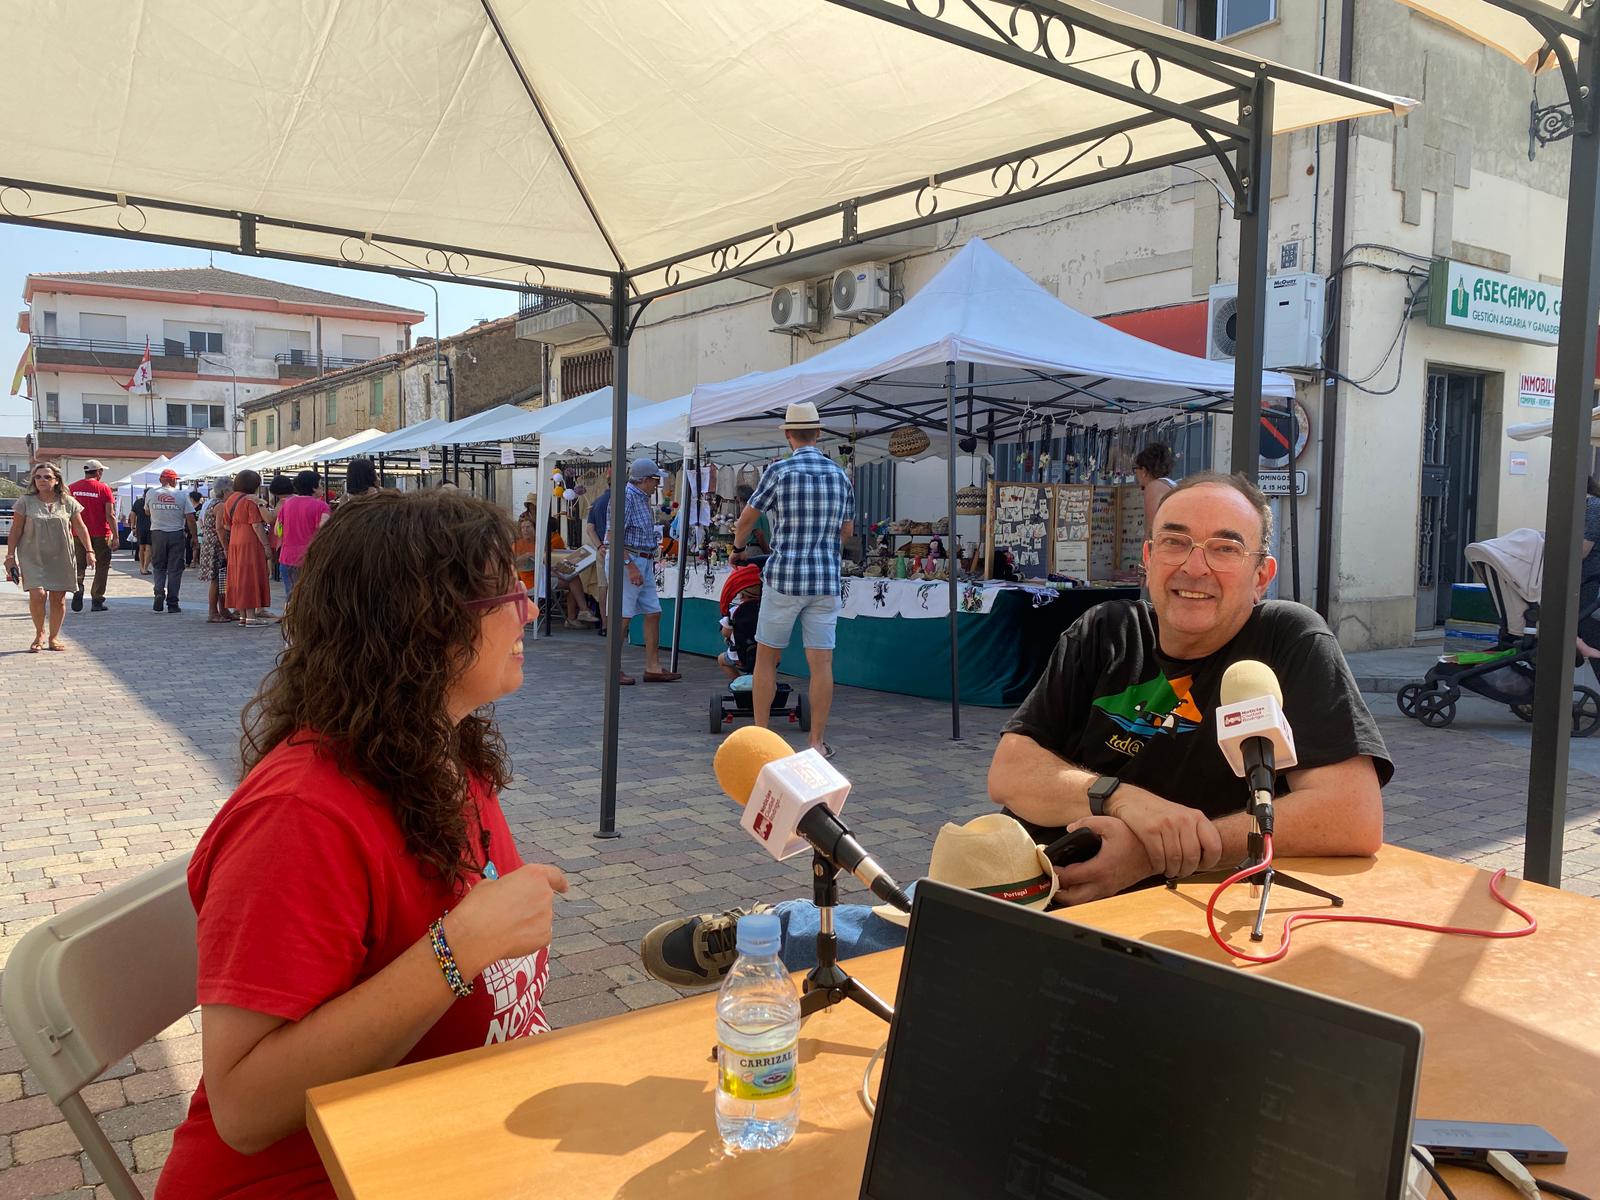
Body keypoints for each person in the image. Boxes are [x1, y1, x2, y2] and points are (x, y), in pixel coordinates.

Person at [640, 473, 1390, 985]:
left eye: (1225, 547)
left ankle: (782, 933)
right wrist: (1122, 801)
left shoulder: (1291, 640)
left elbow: (1352, 814)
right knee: (925, 929)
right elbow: (1011, 772)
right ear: (1147, 558)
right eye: (1175, 541)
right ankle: (778, 934)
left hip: (1193, 917)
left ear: (1262, 573)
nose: (1195, 565)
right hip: (1035, 887)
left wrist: (1167, 849)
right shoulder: (1105, 631)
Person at [156, 490, 565, 1199]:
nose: (528, 610)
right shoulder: (300, 817)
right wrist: (459, 948)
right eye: (506, 594)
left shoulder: (441, 752)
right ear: (425, 624)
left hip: (442, 1151)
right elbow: (244, 1110)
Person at [732, 401, 854, 759]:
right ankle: (816, 742)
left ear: (788, 435)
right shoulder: (840, 475)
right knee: (822, 664)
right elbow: (847, 531)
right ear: (818, 433)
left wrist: (738, 547)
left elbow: (746, 520)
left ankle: (762, 739)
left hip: (785, 577)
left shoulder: (779, 471)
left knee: (766, 657)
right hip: (824, 579)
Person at [603, 458, 680, 685]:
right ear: (645, 480)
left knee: (653, 611)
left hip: (642, 559)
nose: (657, 485)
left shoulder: (641, 498)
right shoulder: (626, 498)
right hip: (629, 559)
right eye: (655, 480)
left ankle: (653, 667)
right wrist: (630, 565)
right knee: (622, 616)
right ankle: (613, 668)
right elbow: (613, 536)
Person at [5, 462, 96, 652]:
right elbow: (16, 529)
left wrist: (89, 551)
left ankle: (54, 637)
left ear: (56, 480)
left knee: (58, 599)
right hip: (32, 555)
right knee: (37, 595)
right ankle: (39, 633)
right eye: (38, 477)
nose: (42, 480)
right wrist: (10, 556)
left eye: (47, 477)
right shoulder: (25, 502)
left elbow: (80, 527)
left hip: (61, 556)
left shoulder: (67, 502)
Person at [222, 470, 274, 627]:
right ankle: (251, 616)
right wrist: (266, 545)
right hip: (250, 540)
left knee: (239, 576)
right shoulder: (250, 500)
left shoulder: (230, 500)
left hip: (235, 540)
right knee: (250, 576)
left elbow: (226, 525)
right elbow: (257, 525)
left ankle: (243, 615)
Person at [277, 470, 332, 605]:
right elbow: (325, 530)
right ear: (313, 487)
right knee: (311, 598)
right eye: (320, 484)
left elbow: (277, 530)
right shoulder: (322, 506)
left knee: (292, 597)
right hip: (310, 557)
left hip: (287, 556)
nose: (322, 487)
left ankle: (290, 617)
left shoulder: (287, 504)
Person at [148, 468, 199, 614]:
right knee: (175, 569)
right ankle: (172, 603)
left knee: (158, 566)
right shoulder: (181, 495)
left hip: (157, 532)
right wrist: (194, 537)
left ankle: (159, 591)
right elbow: (190, 518)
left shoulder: (151, 493)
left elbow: (146, 511)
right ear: (173, 480)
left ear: (161, 480)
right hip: (176, 533)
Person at [68, 458, 116, 613]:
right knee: (102, 566)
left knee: (79, 565)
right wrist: (116, 536)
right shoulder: (104, 488)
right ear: (98, 472)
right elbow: (110, 514)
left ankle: (78, 587)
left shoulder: (72, 488)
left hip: (78, 534)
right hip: (101, 533)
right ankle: (97, 599)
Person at [199, 476, 233, 624]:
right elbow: (219, 528)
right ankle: (213, 612)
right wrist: (226, 547)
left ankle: (223, 609)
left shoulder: (212, 503)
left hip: (210, 543)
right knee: (216, 580)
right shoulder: (220, 505)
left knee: (221, 579)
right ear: (225, 491)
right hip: (216, 546)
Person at [1133, 442, 1177, 537]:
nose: (1135, 473)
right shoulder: (1170, 484)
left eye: (1135, 469)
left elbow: (1152, 528)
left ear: (1144, 471)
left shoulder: (1154, 487)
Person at [736, 483, 771, 555]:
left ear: (740, 498)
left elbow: (759, 534)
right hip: (763, 547)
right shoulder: (760, 511)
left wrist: (766, 552)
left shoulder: (751, 512)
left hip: (755, 549)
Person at [132, 486, 153, 574]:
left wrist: (133, 526)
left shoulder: (138, 502)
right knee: (148, 548)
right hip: (151, 527)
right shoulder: (152, 501)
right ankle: (145, 568)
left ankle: (141, 567)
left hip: (140, 527)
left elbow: (133, 514)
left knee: (141, 547)